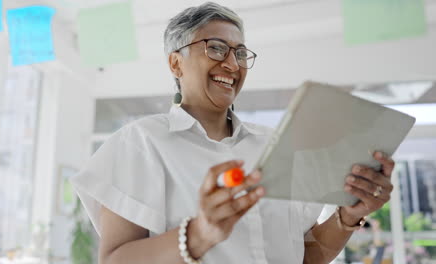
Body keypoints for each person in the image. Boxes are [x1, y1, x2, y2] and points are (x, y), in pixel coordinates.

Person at [71, 2, 395, 264]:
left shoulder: (276, 145)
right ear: (175, 64)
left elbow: (307, 254)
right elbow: (115, 259)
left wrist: (349, 214)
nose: (232, 64)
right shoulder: (140, 142)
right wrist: (200, 234)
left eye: (240, 53)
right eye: (215, 48)